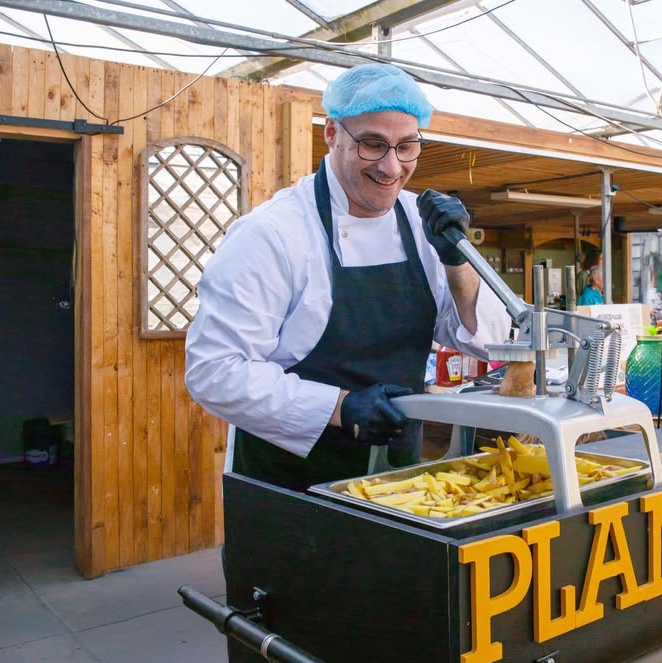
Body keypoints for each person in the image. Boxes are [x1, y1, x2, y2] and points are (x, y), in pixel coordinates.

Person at [184, 63, 510, 492]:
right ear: (331, 133)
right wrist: (341, 408)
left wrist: (456, 258)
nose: (391, 167)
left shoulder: (422, 224)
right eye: (372, 145)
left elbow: (490, 340)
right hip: (289, 488)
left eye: (407, 146)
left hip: (398, 484)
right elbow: (214, 371)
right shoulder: (272, 233)